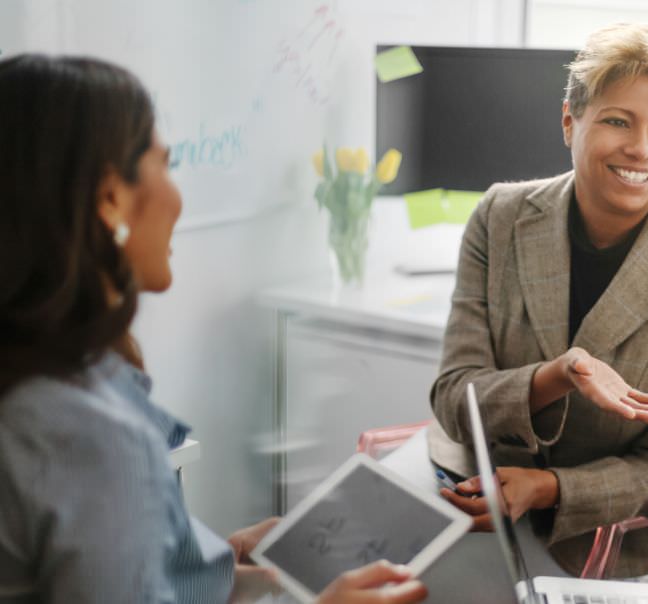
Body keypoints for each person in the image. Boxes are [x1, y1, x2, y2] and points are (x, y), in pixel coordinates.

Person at [0, 54, 427, 604]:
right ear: (110, 199)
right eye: (166, 165)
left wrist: (209, 561)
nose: (177, 199)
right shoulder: (92, 434)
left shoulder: (48, 379)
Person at [428, 23, 648, 578]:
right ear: (569, 122)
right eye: (617, 121)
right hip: (478, 522)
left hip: (614, 555)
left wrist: (547, 487)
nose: (643, 149)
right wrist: (559, 375)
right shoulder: (500, 217)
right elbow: (455, 398)